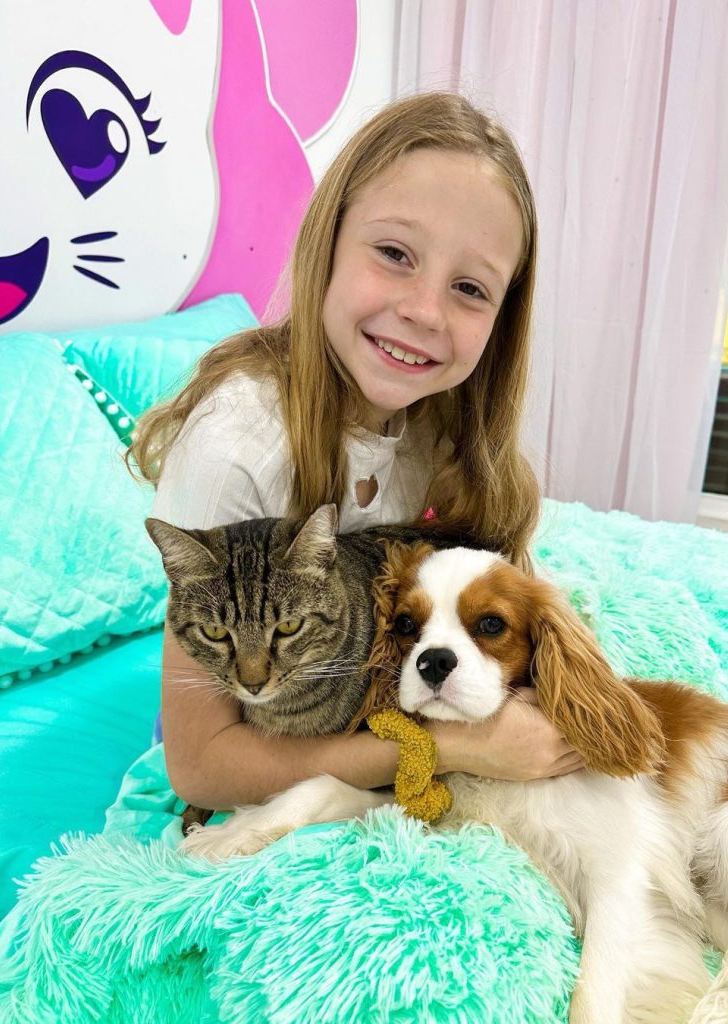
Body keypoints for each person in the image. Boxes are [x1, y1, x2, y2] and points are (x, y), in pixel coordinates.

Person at [127, 92, 584, 812]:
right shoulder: (237, 447)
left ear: (501, 318)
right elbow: (201, 764)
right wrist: (448, 748)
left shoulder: (443, 428)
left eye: (469, 288)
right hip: (253, 729)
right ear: (327, 241)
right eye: (394, 253)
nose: (424, 312)